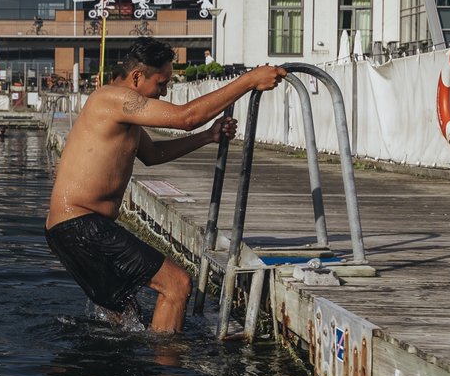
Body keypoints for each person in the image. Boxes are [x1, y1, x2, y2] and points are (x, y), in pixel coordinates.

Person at [44, 37, 285, 333]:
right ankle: (167, 362)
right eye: (161, 83)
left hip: (70, 228)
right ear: (137, 76)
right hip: (80, 224)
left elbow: (152, 155)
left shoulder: (119, 110)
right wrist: (249, 80)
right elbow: (187, 117)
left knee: (126, 316)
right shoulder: (113, 99)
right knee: (176, 285)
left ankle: (139, 358)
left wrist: (207, 137)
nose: (164, 92)